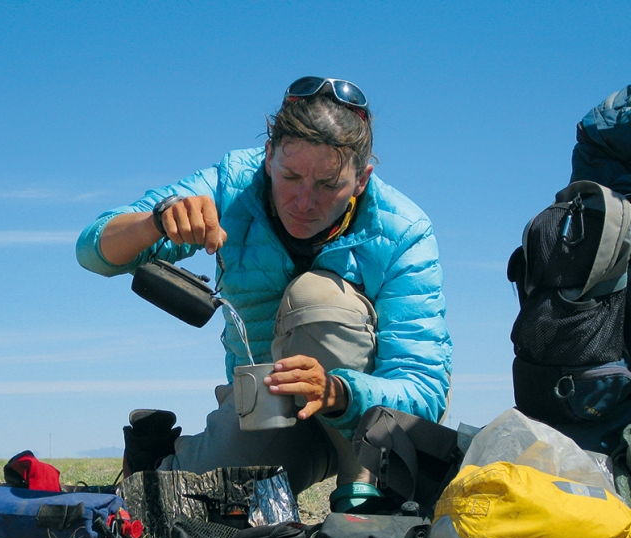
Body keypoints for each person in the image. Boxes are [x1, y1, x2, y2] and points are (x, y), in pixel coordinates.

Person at [76, 76, 452, 512]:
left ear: (363, 179)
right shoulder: (229, 187)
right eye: (290, 176)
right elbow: (94, 251)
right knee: (182, 503)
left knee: (316, 296)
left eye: (329, 184)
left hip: (363, 423)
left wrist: (337, 392)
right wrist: (157, 221)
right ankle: (161, 460)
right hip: (268, 412)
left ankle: (364, 489)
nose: (304, 201)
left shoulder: (404, 231)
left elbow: (424, 387)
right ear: (269, 156)